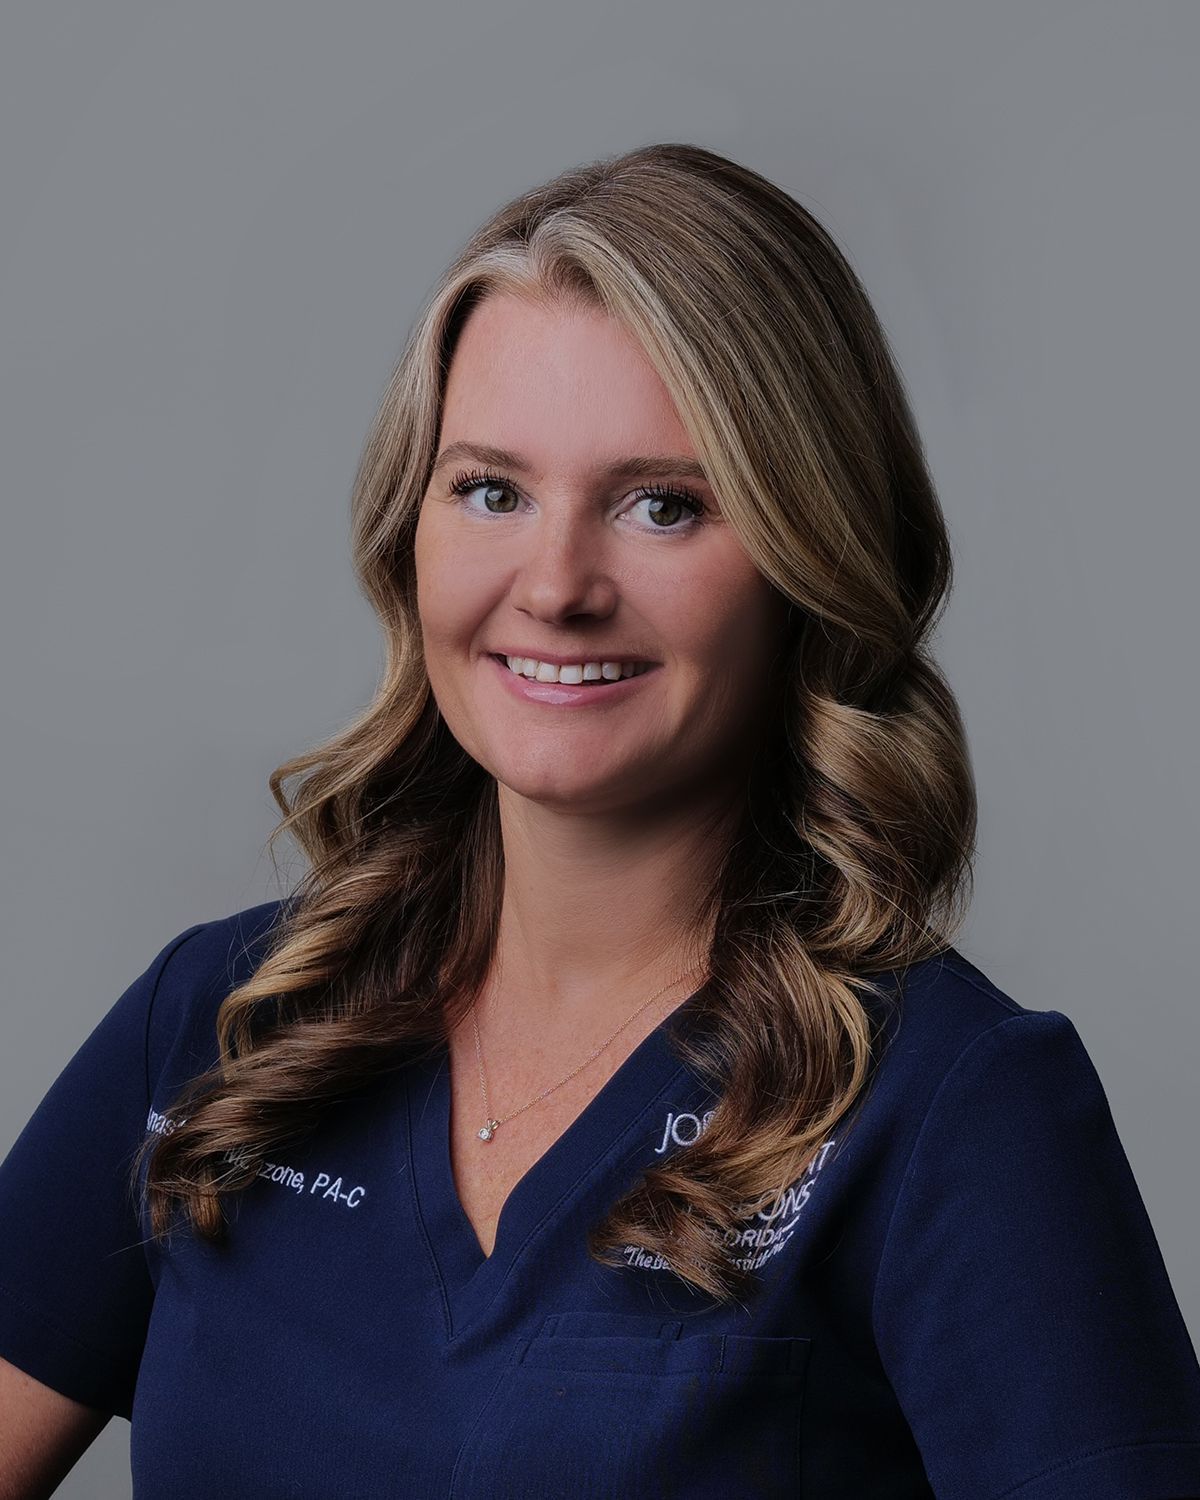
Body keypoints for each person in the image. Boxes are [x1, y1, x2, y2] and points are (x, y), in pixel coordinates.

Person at [1, 141, 1198, 1500]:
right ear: (412, 529)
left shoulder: (952, 1114)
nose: (556, 585)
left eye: (663, 506)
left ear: (810, 556)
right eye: (491, 490)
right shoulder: (224, 1021)